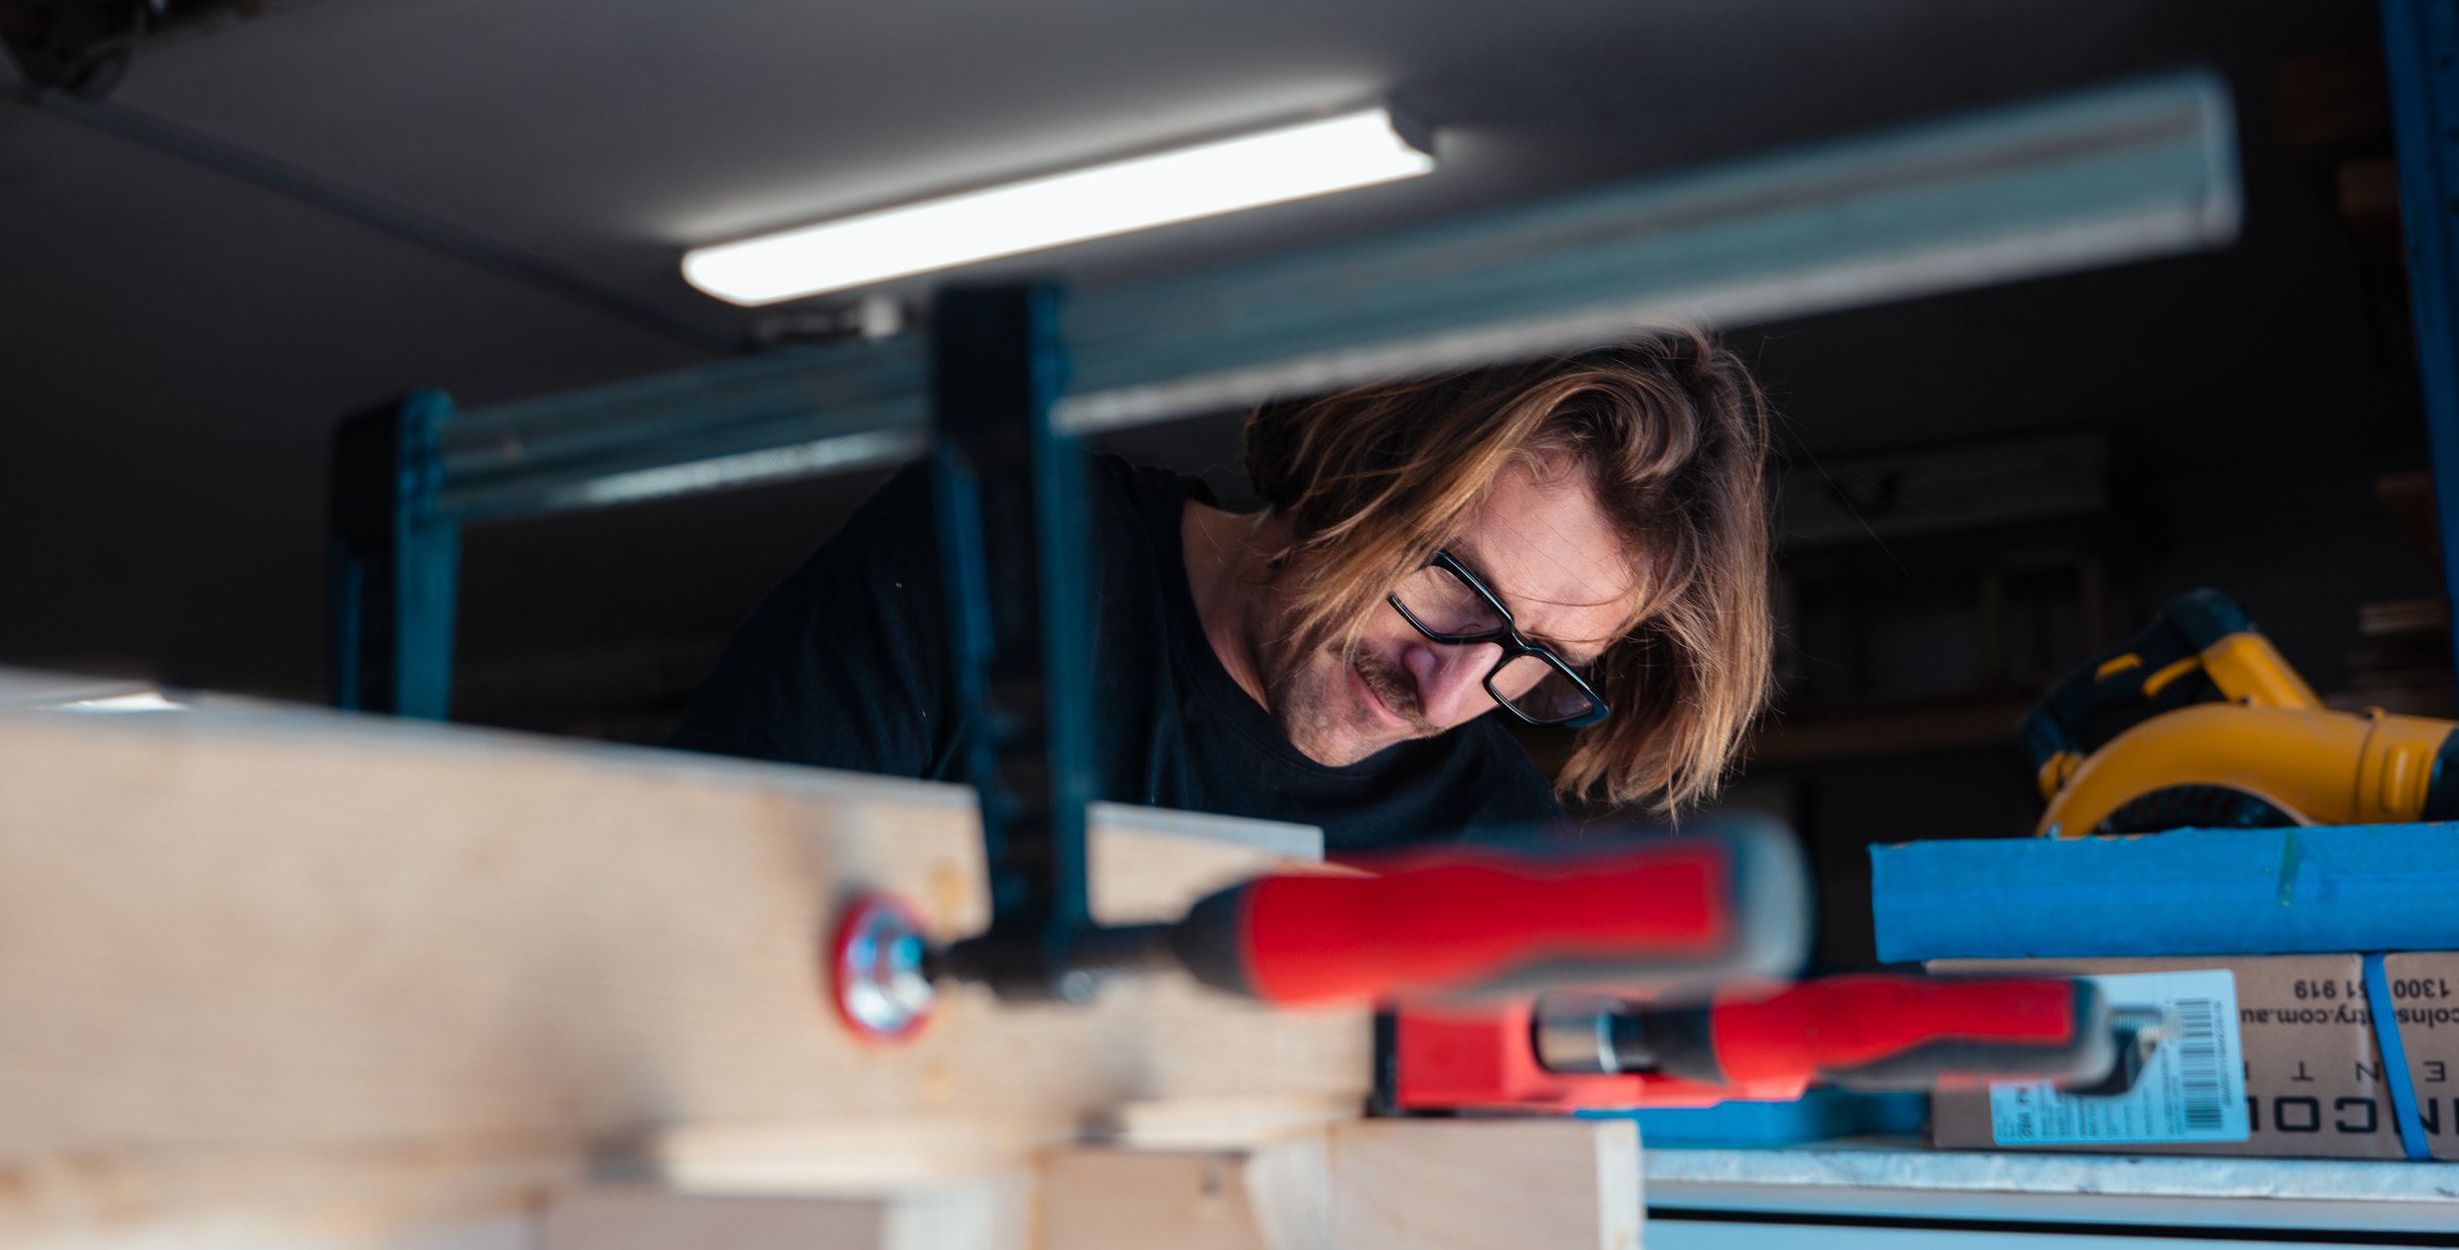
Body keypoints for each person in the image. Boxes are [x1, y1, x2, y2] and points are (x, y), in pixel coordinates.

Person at [670, 327, 1774, 852]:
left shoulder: (1484, 832)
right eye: (1455, 592)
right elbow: (705, 889)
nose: (1445, 696)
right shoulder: (1007, 554)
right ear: (1356, 459)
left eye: (1531, 661)